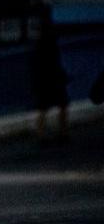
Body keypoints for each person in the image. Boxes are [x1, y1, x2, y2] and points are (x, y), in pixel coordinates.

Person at [31, 14, 69, 145]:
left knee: (43, 108)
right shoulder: (51, 44)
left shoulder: (38, 45)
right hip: (53, 79)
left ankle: (41, 135)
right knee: (62, 105)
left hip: (44, 80)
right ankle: (63, 133)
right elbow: (55, 62)